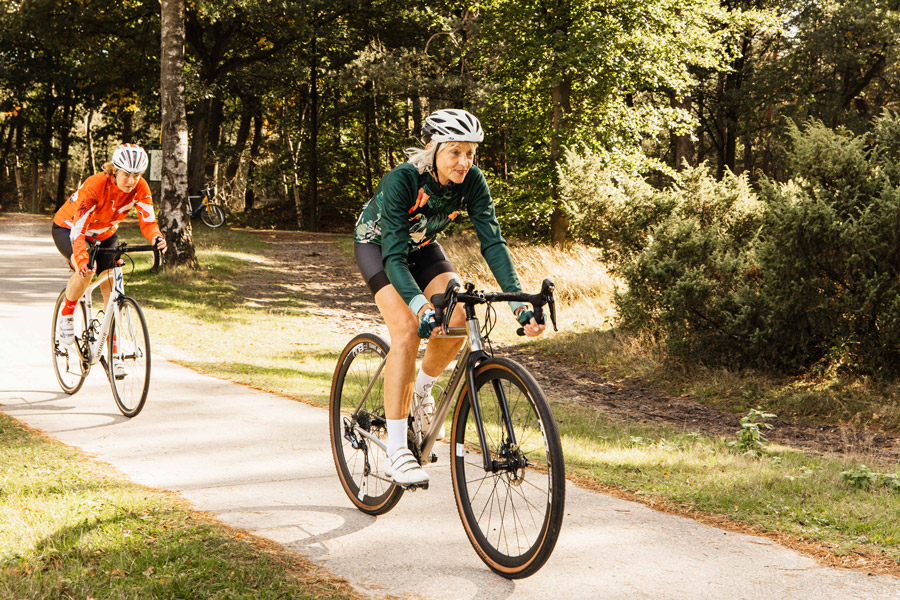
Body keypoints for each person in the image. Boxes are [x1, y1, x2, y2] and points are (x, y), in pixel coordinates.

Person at [353, 108, 546, 486]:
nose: (464, 162)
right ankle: (396, 450)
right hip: (379, 247)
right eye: (455, 152)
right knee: (408, 330)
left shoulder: (473, 181)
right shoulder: (403, 180)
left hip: (422, 247)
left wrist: (518, 303)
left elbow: (493, 243)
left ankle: (421, 391)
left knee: (457, 313)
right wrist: (420, 305)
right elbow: (394, 257)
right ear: (433, 148)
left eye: (470, 153)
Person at [52, 143, 166, 375]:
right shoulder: (96, 185)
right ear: (115, 170)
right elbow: (79, 229)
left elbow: (148, 221)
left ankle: (114, 353)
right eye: (126, 175)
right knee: (86, 271)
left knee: (113, 287)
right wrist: (82, 259)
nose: (131, 181)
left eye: (136, 176)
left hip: (105, 233)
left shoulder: (140, 188)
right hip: (69, 228)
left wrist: (156, 237)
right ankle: (67, 312)